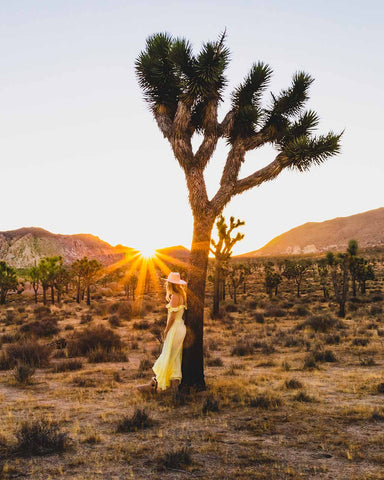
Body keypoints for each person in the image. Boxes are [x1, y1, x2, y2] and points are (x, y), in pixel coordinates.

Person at [136, 272, 187, 394]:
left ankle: (155, 384)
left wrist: (166, 329)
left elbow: (173, 316)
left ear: (170, 283)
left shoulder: (175, 296)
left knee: (168, 355)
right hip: (181, 327)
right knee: (173, 357)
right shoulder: (182, 295)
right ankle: (172, 386)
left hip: (175, 328)